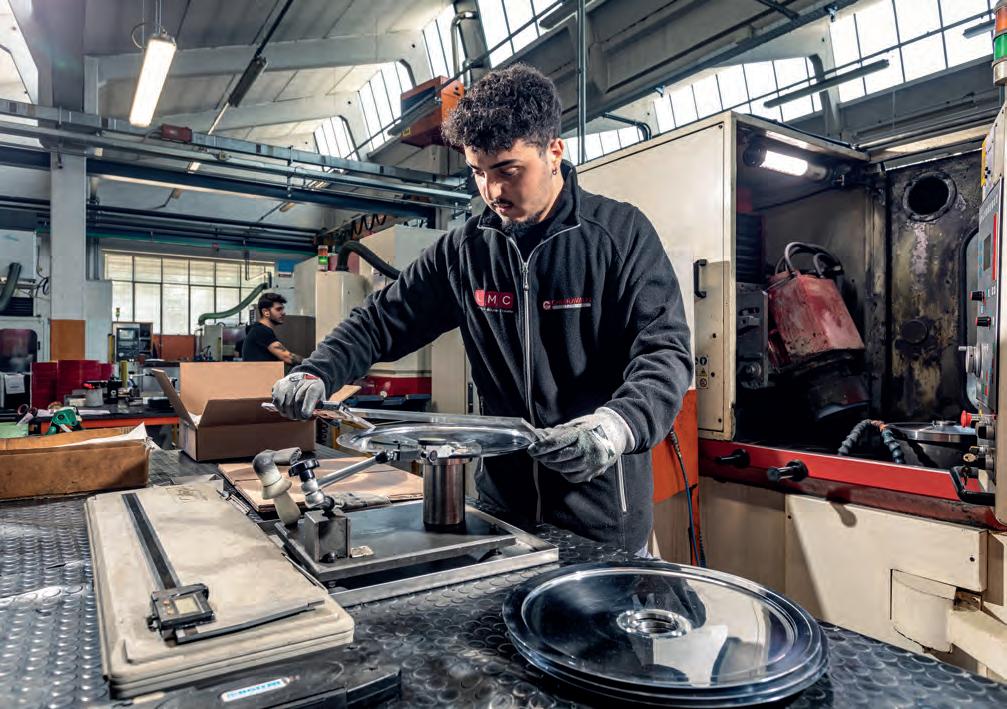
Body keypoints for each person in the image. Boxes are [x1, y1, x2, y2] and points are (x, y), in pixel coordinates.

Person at [272, 64, 692, 554]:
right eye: (478, 172)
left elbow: (665, 353)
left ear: (554, 152)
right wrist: (317, 371)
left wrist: (617, 426)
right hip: (503, 511)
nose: (491, 192)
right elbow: (381, 320)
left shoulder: (619, 235)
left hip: (602, 516)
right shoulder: (464, 252)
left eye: (508, 171)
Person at [242, 292, 303, 365]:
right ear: (266, 312)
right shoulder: (261, 331)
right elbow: (288, 357)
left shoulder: (259, 329)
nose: (283, 313)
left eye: (282, 309)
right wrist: (310, 363)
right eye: (278, 309)